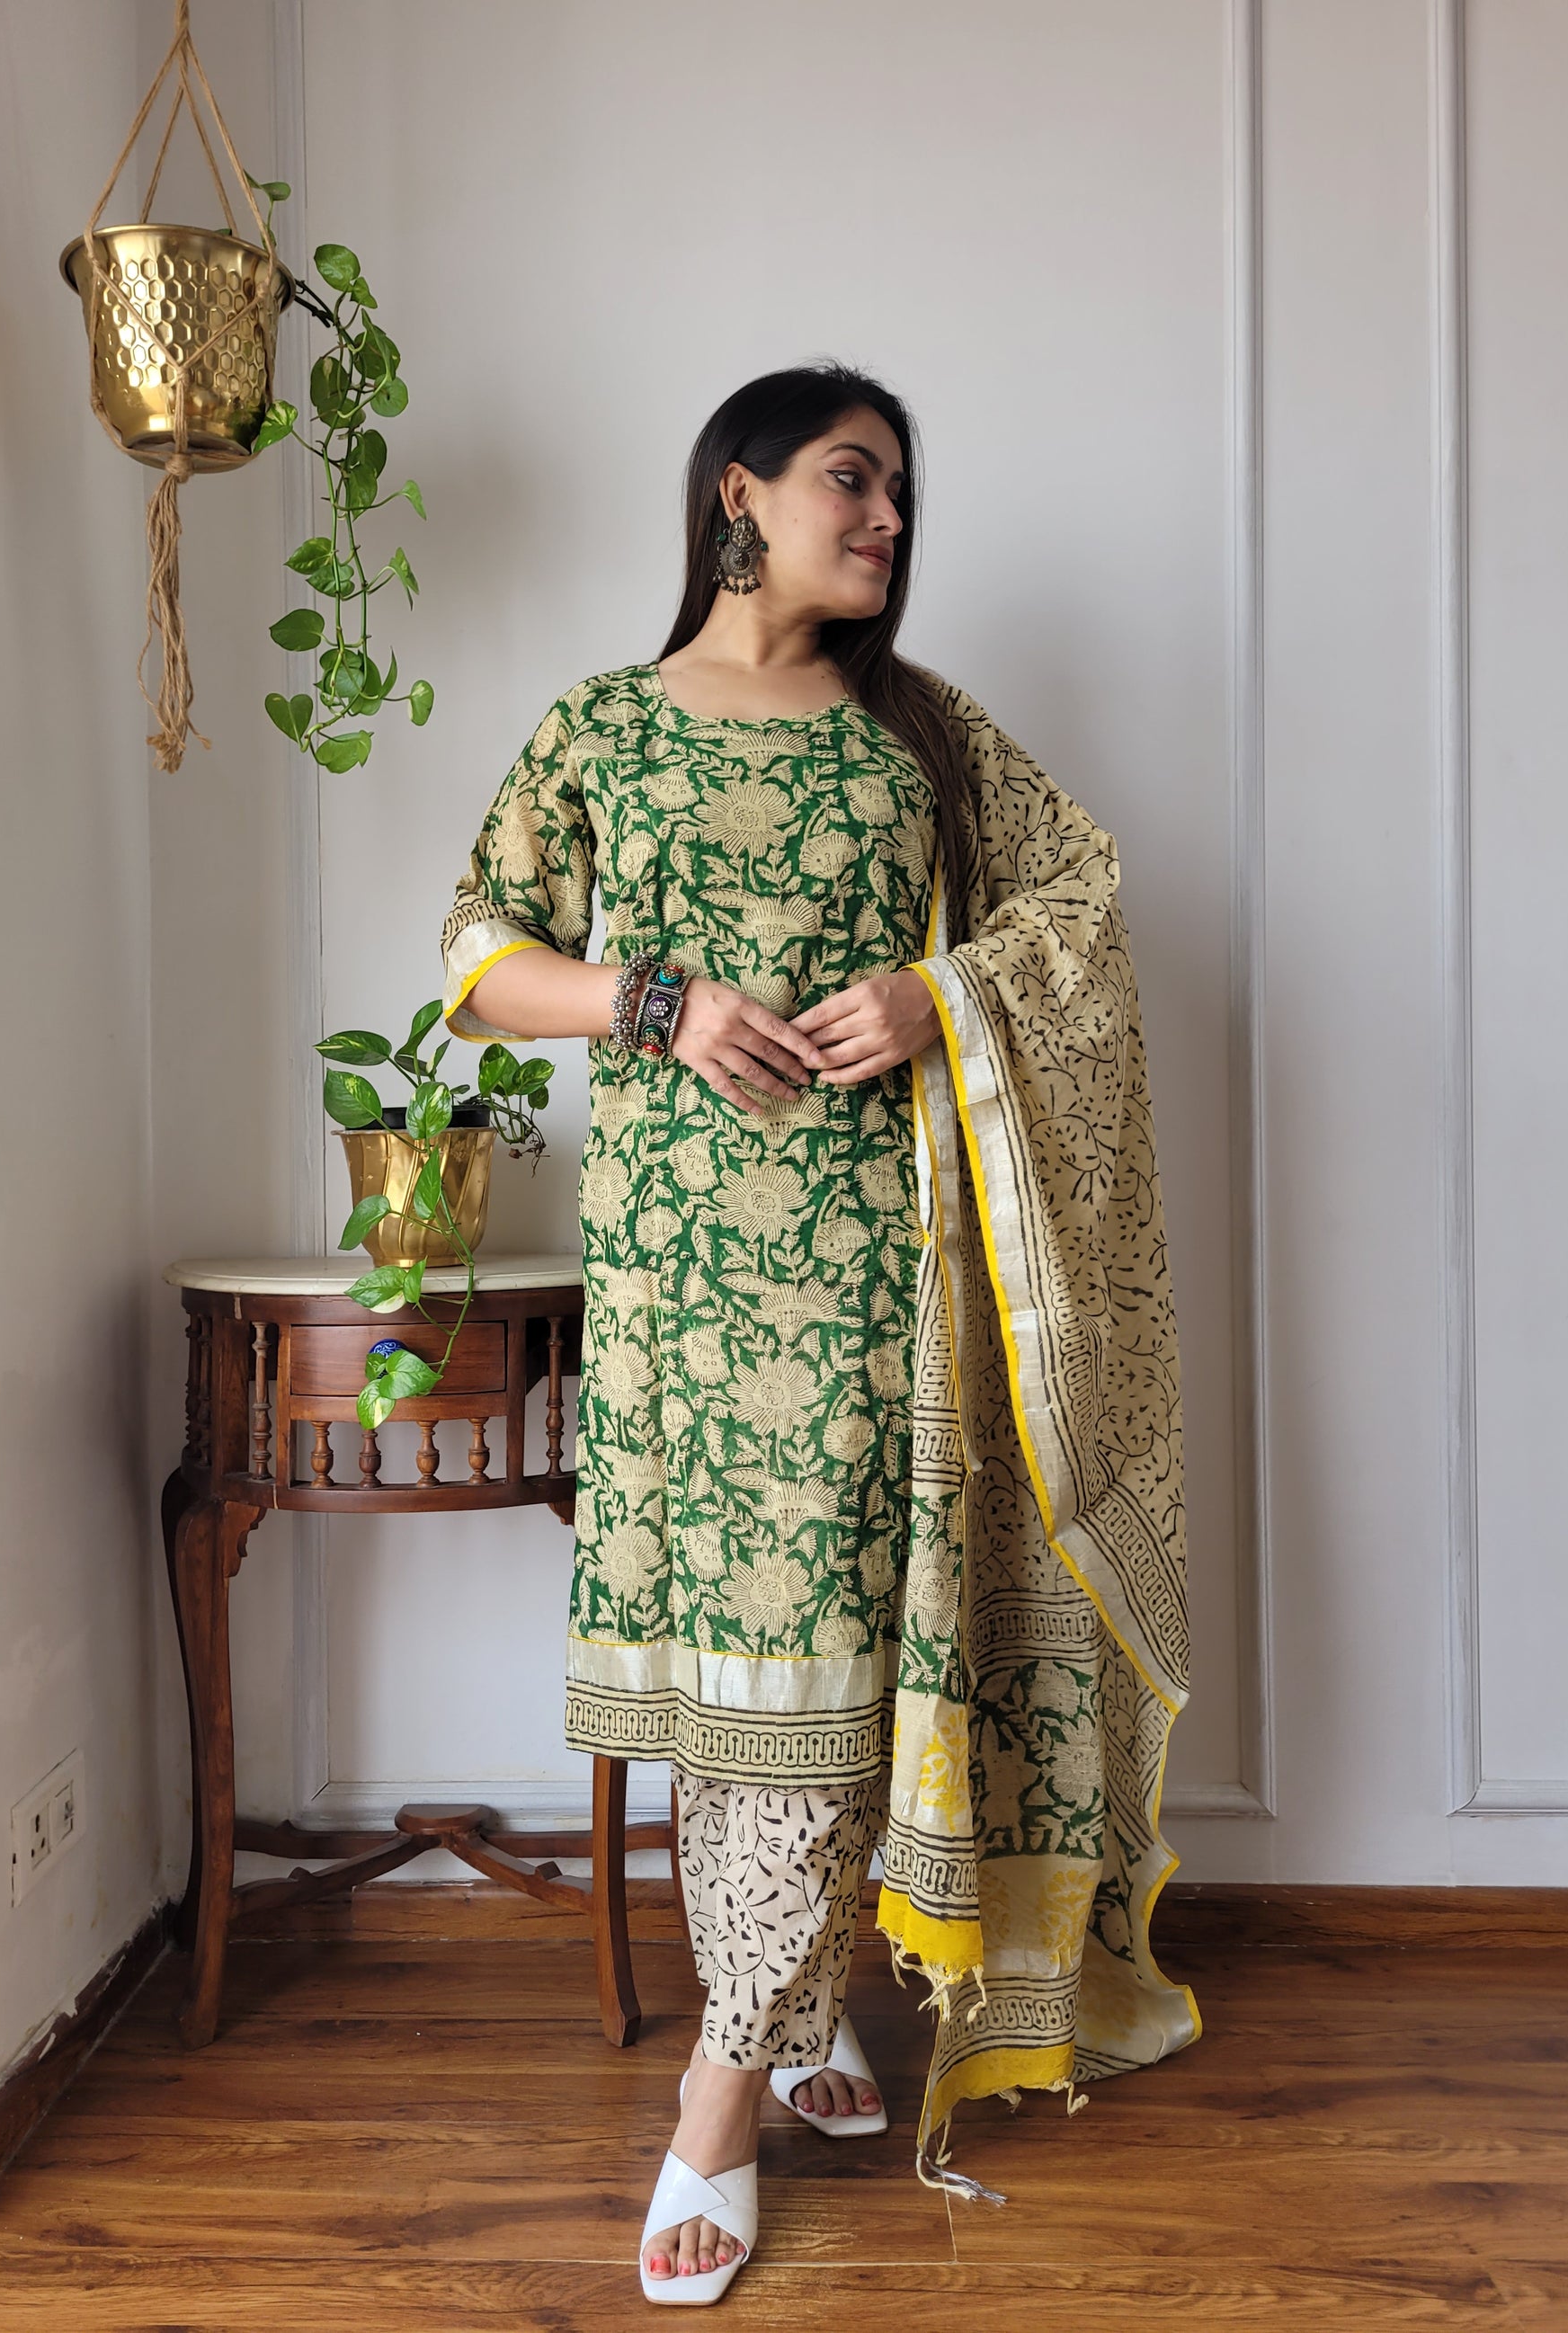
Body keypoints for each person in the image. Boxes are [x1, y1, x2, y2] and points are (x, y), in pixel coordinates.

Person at [440, 363, 1198, 2306]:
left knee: (842, 1658)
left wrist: (942, 994)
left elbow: (1082, 903)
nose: (884, 519)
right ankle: (792, 2012)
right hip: (681, 1279)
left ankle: (717, 2096)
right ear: (737, 492)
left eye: (898, 492)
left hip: (882, 1271)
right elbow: (479, 960)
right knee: (734, 1686)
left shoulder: (918, 731)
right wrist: (656, 1002)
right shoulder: (603, 725)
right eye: (850, 479)